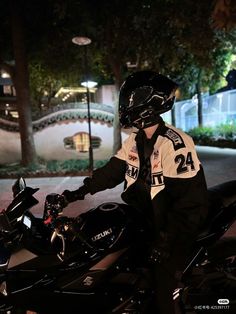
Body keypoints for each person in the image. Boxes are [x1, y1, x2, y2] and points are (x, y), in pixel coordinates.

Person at [62, 70, 209, 314]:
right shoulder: (136, 140)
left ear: (147, 104)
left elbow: (189, 204)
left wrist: (165, 241)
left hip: (176, 224)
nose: (125, 106)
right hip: (147, 216)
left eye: (130, 99)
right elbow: (113, 171)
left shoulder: (176, 144)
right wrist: (76, 193)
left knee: (164, 286)